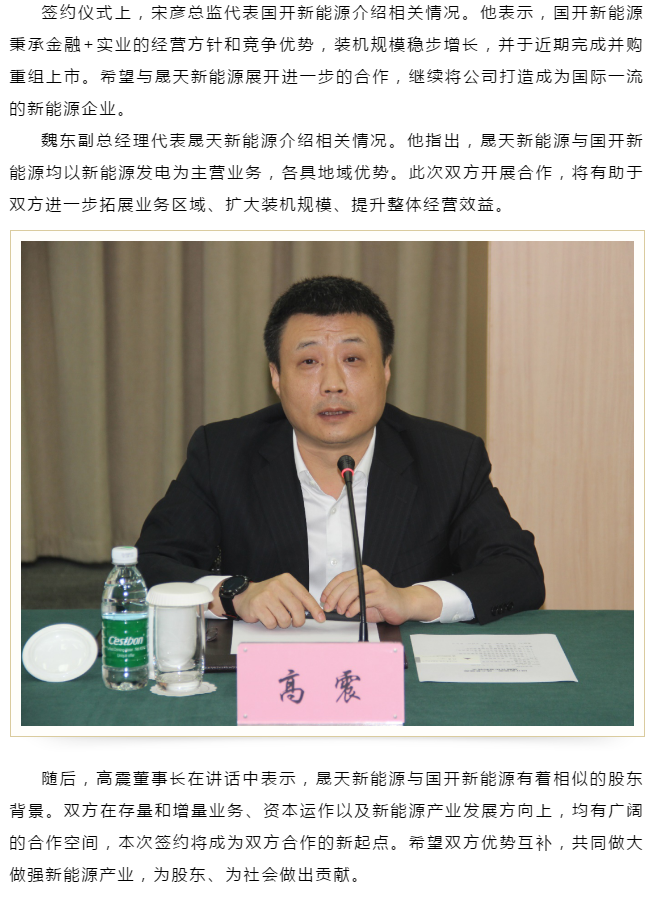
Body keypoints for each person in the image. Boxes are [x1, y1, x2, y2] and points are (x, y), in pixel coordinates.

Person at [136, 276, 544, 628]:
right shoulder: (223, 453)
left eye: (352, 358)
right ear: (276, 376)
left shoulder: (448, 458)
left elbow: (518, 572)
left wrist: (410, 600)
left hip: (400, 676)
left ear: (385, 369)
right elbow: (151, 564)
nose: (333, 383)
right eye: (309, 361)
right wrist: (234, 594)